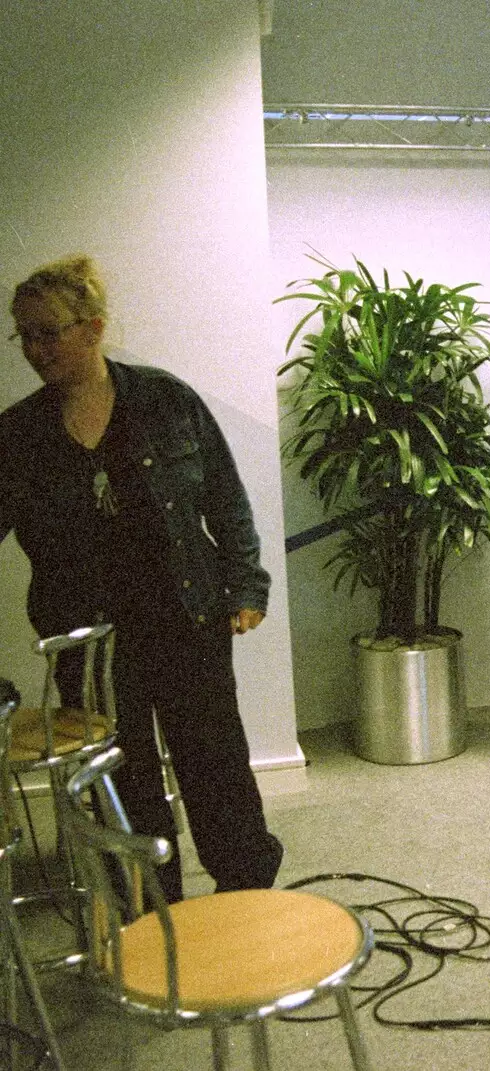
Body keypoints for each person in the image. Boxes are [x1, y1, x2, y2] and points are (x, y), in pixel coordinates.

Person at [0, 255, 282, 902]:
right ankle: (151, 910)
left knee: (214, 765)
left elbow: (225, 498)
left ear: (93, 327)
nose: (35, 349)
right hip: (90, 641)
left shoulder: (163, 398)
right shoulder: (16, 435)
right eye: (25, 335)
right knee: (125, 782)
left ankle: (247, 893)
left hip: (188, 615)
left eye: (50, 332)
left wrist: (246, 585)